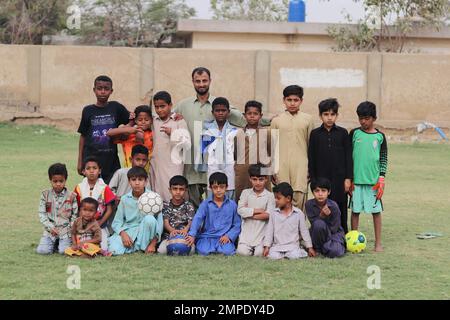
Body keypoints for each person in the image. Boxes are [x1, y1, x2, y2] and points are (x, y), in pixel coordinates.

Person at [174, 67, 270, 209]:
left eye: (204, 81)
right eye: (198, 81)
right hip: (192, 162)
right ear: (193, 82)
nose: (201, 84)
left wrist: (267, 121)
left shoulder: (219, 103)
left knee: (220, 197)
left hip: (221, 164)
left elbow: (246, 118)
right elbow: (168, 117)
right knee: (194, 202)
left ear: (210, 81)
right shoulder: (183, 105)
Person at [308, 98, 353, 233]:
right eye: (326, 114)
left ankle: (343, 235)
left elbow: (348, 157)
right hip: (321, 179)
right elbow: (312, 157)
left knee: (340, 207)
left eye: (332, 114)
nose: (329, 118)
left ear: (336, 115)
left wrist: (348, 178)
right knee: (323, 208)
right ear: (320, 115)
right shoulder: (315, 134)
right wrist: (314, 180)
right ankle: (323, 234)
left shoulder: (343, 133)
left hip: (340, 179)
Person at [349, 101, 388, 252]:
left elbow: (383, 158)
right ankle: (353, 241)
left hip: (373, 183)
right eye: (360, 118)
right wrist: (349, 177)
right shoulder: (354, 133)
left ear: (374, 118)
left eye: (366, 118)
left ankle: (378, 243)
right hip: (356, 182)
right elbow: (348, 156)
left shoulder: (380, 137)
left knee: (376, 212)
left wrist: (382, 178)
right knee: (355, 211)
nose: (363, 121)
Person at [77, 75, 130, 183]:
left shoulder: (116, 107)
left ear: (111, 91)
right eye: (99, 88)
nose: (102, 92)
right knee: (92, 193)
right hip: (91, 161)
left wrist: (124, 132)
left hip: (111, 161)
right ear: (94, 90)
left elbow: (132, 118)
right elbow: (83, 135)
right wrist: (80, 161)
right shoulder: (88, 110)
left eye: (106, 89)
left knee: (111, 193)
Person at [270, 85, 314, 211]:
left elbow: (311, 145)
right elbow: (272, 146)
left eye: (296, 100)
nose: (292, 103)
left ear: (301, 101)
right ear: (284, 100)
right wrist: (272, 168)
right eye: (289, 100)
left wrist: (310, 168)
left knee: (299, 196)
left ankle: (298, 229)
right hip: (281, 166)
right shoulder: (277, 120)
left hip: (301, 166)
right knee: (282, 197)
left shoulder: (308, 119)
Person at [108, 167, 163, 255]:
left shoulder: (154, 198)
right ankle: (134, 247)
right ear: (129, 181)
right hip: (129, 232)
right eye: (133, 180)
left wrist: (153, 244)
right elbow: (117, 222)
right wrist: (123, 234)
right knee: (113, 250)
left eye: (140, 180)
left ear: (146, 181)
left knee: (150, 219)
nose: (137, 183)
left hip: (145, 234)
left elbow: (159, 224)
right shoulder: (125, 199)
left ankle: (144, 246)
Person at [186, 172, 241, 256]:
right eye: (215, 187)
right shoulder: (205, 204)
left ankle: (222, 247)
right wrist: (192, 234)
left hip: (223, 237)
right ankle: (211, 248)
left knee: (227, 252)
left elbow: (237, 224)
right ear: (210, 188)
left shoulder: (232, 205)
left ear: (227, 187)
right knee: (203, 251)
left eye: (221, 187)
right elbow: (197, 219)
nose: (218, 190)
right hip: (207, 237)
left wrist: (229, 236)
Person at [150, 91, 191, 202]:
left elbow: (186, 143)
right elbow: (141, 118)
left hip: (174, 165)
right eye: (157, 107)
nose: (159, 110)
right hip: (158, 164)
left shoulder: (179, 120)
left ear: (170, 105)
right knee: (158, 192)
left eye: (162, 106)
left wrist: (173, 133)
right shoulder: (154, 121)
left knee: (175, 191)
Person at [263, 182, 315, 260]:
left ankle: (296, 252)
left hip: (292, 247)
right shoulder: (274, 213)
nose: (276, 200)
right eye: (275, 198)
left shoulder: (298, 213)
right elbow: (269, 231)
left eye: (278, 198)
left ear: (288, 198)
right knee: (273, 256)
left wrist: (310, 247)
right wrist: (267, 247)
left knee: (294, 255)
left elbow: (304, 232)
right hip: (277, 247)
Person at [234, 100, 273, 202]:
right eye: (249, 113)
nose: (252, 116)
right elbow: (235, 154)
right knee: (242, 200)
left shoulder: (266, 133)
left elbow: (271, 153)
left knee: (263, 200)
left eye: (255, 114)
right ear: (244, 115)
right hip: (243, 173)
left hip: (262, 172)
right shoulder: (238, 134)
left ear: (260, 115)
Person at [74, 156, 116, 251]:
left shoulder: (104, 188)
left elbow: (109, 209)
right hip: (83, 225)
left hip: (99, 224)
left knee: (104, 247)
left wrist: (100, 222)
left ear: (99, 171)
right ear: (84, 172)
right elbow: (76, 208)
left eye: (95, 168)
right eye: (88, 168)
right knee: (79, 246)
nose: (91, 171)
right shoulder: (79, 188)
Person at [200, 97, 238, 200]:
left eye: (223, 110)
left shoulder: (234, 131)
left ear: (228, 112)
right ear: (213, 112)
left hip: (229, 170)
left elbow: (237, 154)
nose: (220, 113)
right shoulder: (207, 131)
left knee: (229, 196)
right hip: (212, 169)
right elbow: (202, 152)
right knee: (212, 197)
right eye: (217, 110)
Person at [36, 163, 78, 255]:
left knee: (64, 251)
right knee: (42, 251)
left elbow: (75, 216)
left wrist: (69, 228)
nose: (58, 184)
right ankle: (53, 243)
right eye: (55, 181)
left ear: (65, 180)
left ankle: (60, 244)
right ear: (50, 180)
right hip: (50, 230)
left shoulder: (72, 196)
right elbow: (42, 213)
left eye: (61, 181)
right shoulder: (45, 195)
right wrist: (50, 227)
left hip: (66, 231)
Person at [236, 164, 275, 257]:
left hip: (262, 233)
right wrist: (260, 210)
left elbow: (269, 215)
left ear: (266, 179)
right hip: (247, 234)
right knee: (242, 253)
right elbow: (240, 210)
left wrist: (249, 213)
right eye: (254, 179)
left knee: (259, 253)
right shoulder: (245, 193)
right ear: (250, 179)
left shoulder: (270, 196)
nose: (257, 183)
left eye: (261, 179)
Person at [305, 178, 346, 258]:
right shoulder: (309, 204)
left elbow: (335, 228)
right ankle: (322, 248)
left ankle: (323, 248)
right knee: (318, 224)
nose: (320, 194)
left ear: (328, 192)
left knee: (336, 251)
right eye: (317, 191)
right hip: (317, 234)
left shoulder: (333, 206)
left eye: (323, 191)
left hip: (333, 235)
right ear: (313, 192)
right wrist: (321, 216)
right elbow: (315, 225)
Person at [107, 105, 153, 171]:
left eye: (146, 120)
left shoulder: (152, 134)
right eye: (140, 120)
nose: (143, 122)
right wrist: (129, 126)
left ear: (151, 120)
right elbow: (109, 133)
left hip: (146, 174)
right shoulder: (128, 134)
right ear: (135, 120)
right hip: (128, 172)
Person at [157, 175, 196, 254]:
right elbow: (166, 222)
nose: (178, 192)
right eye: (175, 189)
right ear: (170, 190)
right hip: (169, 236)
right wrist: (172, 231)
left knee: (191, 251)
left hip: (185, 236)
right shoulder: (166, 205)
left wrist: (185, 230)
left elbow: (190, 222)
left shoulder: (189, 205)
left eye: (181, 189)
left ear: (186, 190)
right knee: (161, 251)